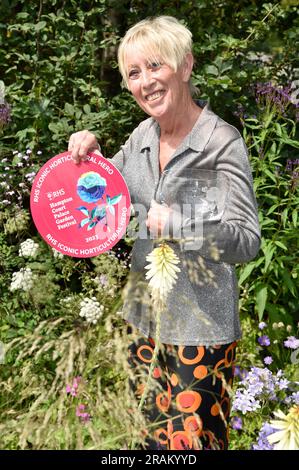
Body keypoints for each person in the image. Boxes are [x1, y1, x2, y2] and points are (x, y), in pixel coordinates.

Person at [69, 16, 261, 450]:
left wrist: (180, 225)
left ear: (186, 65)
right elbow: (103, 198)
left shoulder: (221, 142)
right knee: (146, 444)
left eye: (156, 66)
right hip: (142, 323)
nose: (146, 82)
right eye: (134, 73)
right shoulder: (141, 135)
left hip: (200, 333)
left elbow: (246, 239)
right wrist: (88, 156)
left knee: (192, 448)